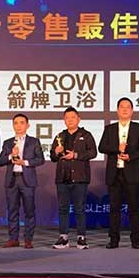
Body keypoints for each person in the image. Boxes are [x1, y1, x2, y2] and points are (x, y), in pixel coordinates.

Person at [98, 97, 139, 249]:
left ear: (132, 111)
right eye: (122, 107)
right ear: (117, 110)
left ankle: (136, 240)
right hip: (114, 173)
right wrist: (117, 148)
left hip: (132, 173)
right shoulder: (110, 129)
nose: (125, 109)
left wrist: (130, 156)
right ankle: (114, 240)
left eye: (128, 107)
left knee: (134, 208)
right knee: (114, 208)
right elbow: (102, 147)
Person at [50, 107, 97, 249]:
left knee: (79, 208)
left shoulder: (86, 135)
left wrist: (75, 155)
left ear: (78, 119)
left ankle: (81, 238)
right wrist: (56, 152)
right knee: (63, 208)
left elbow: (93, 152)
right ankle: (63, 238)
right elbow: (53, 157)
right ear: (64, 120)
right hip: (62, 177)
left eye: (73, 117)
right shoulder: (60, 136)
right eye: (67, 118)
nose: (70, 120)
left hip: (80, 177)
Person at [0, 113, 44, 249]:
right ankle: (13, 239)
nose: (18, 125)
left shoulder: (34, 142)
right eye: (16, 123)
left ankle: (28, 239)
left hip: (27, 180)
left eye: (22, 123)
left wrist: (25, 162)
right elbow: (0, 161)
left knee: (29, 210)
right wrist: (10, 155)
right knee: (12, 210)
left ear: (27, 125)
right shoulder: (8, 142)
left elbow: (40, 159)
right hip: (12, 180)